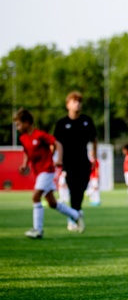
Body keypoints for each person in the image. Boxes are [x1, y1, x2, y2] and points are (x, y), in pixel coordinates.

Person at [14, 109, 84, 238]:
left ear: (27, 123)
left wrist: (59, 159)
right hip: (38, 172)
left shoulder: (39, 135)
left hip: (47, 170)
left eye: (18, 124)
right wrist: (24, 164)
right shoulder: (23, 138)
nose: (17, 128)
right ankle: (76, 215)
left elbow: (57, 143)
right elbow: (26, 151)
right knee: (52, 203)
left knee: (35, 197)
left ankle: (38, 230)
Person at [53, 91, 97, 221]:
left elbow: (94, 139)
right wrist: (56, 158)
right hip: (68, 162)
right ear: (68, 105)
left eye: (79, 102)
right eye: (74, 101)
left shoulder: (86, 121)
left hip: (84, 161)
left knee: (81, 188)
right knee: (73, 189)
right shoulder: (61, 123)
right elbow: (56, 142)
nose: (77, 104)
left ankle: (75, 212)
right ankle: (73, 217)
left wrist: (94, 156)